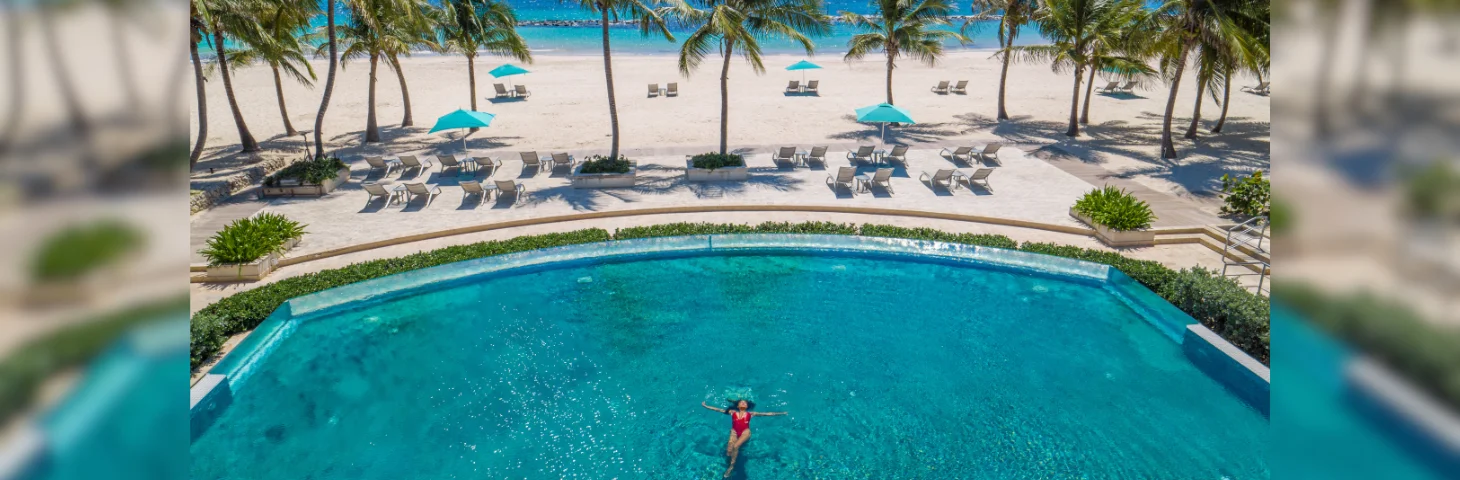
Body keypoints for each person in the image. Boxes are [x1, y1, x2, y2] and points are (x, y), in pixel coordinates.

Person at [701, 400, 786, 478]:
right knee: (728, 452)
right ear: (737, 406)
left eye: (745, 403)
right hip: (734, 432)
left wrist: (782, 413)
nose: (743, 403)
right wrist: (706, 406)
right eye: (741, 402)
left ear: (747, 406)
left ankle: (731, 467)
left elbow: (767, 414)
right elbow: (718, 409)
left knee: (736, 446)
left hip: (745, 432)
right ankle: (729, 462)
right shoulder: (732, 412)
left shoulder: (750, 414)